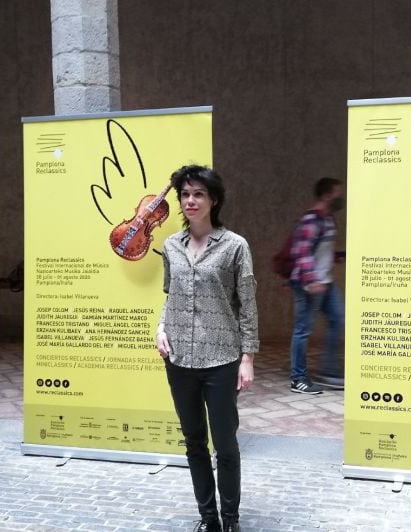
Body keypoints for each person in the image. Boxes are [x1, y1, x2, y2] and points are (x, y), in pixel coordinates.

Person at [155, 165, 257, 532]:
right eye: (185, 195)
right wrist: (161, 326)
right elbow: (170, 293)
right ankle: (208, 518)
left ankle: (231, 519)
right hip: (179, 358)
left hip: (221, 358)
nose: (191, 201)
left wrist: (247, 357)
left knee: (225, 444)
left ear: (213, 199)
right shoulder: (171, 245)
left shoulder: (234, 246)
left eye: (198, 194)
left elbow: (247, 304)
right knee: (194, 442)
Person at [287, 177, 345, 394]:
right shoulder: (312, 220)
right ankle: (298, 379)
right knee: (303, 330)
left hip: (325, 283)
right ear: (327, 195)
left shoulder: (328, 219)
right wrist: (311, 281)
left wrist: (337, 256)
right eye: (338, 193)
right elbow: (301, 252)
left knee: (337, 319)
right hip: (309, 284)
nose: (341, 197)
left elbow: (320, 250)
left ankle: (329, 371)